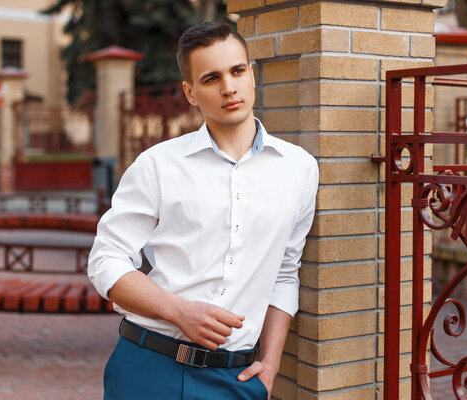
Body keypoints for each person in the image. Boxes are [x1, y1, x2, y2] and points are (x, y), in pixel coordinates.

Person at [88, 21, 319, 400]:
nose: (229, 87)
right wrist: (178, 311)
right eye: (212, 78)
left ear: (252, 75)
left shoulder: (300, 169)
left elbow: (284, 272)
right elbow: (106, 260)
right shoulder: (157, 165)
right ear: (191, 93)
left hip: (236, 379)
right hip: (148, 366)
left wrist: (272, 364)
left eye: (237, 71)